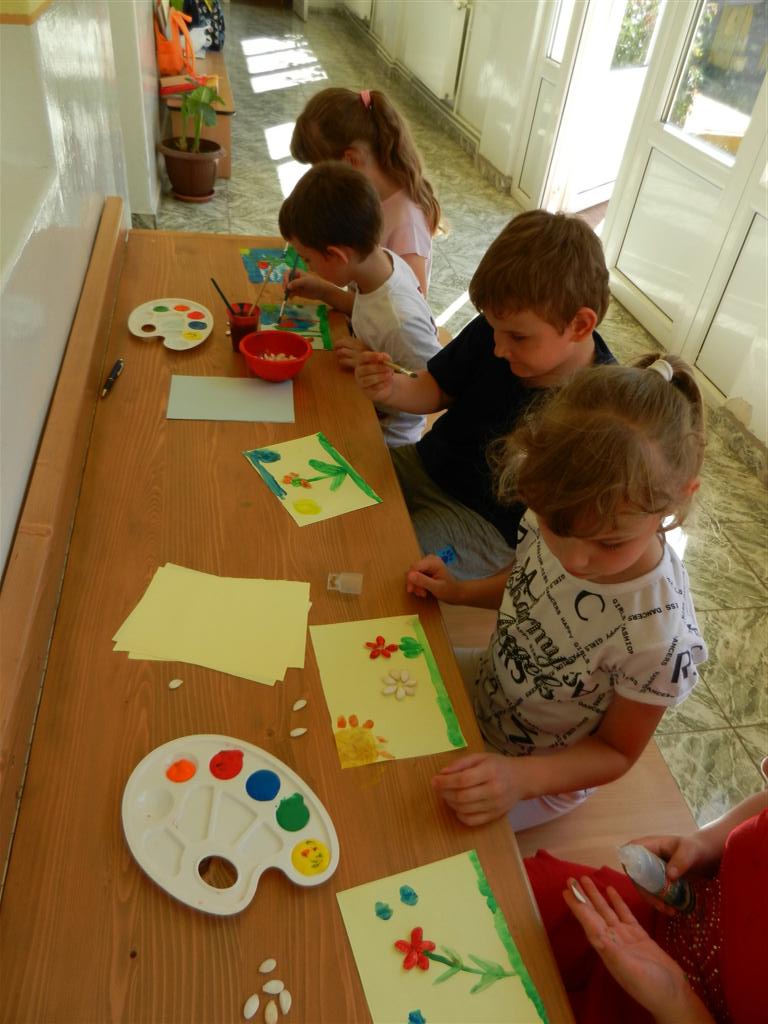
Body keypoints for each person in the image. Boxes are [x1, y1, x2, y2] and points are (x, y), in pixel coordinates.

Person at [405, 356, 708, 831]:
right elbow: (525, 581)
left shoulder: (661, 639)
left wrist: (520, 779)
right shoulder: (558, 504)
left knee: (420, 824)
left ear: (680, 497)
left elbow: (615, 752)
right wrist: (460, 591)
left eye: (609, 543)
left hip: (541, 772)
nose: (575, 558)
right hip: (488, 682)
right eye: (556, 529)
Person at [355, 210, 615, 579]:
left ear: (580, 324)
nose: (499, 348)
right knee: (329, 487)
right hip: (425, 466)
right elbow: (438, 388)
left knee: (381, 560)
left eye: (518, 337)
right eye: (494, 328)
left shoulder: (601, 408)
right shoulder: (500, 328)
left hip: (482, 526)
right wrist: (392, 388)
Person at [526, 783, 768, 1023]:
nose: (765, 765)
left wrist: (677, 1002)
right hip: (639, 919)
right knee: (516, 900)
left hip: (667, 1008)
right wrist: (701, 845)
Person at [278, 161, 441, 447]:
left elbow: (436, 384)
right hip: (357, 398)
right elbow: (369, 310)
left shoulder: (401, 321)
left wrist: (374, 362)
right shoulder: (380, 264)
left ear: (337, 256)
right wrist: (326, 292)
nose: (307, 265)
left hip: (382, 438)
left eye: (307, 259)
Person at [290, 86, 441, 295]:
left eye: (321, 170)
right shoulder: (366, 198)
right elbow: (367, 301)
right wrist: (324, 289)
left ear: (350, 159)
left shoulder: (407, 225)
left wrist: (329, 294)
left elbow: (408, 309)